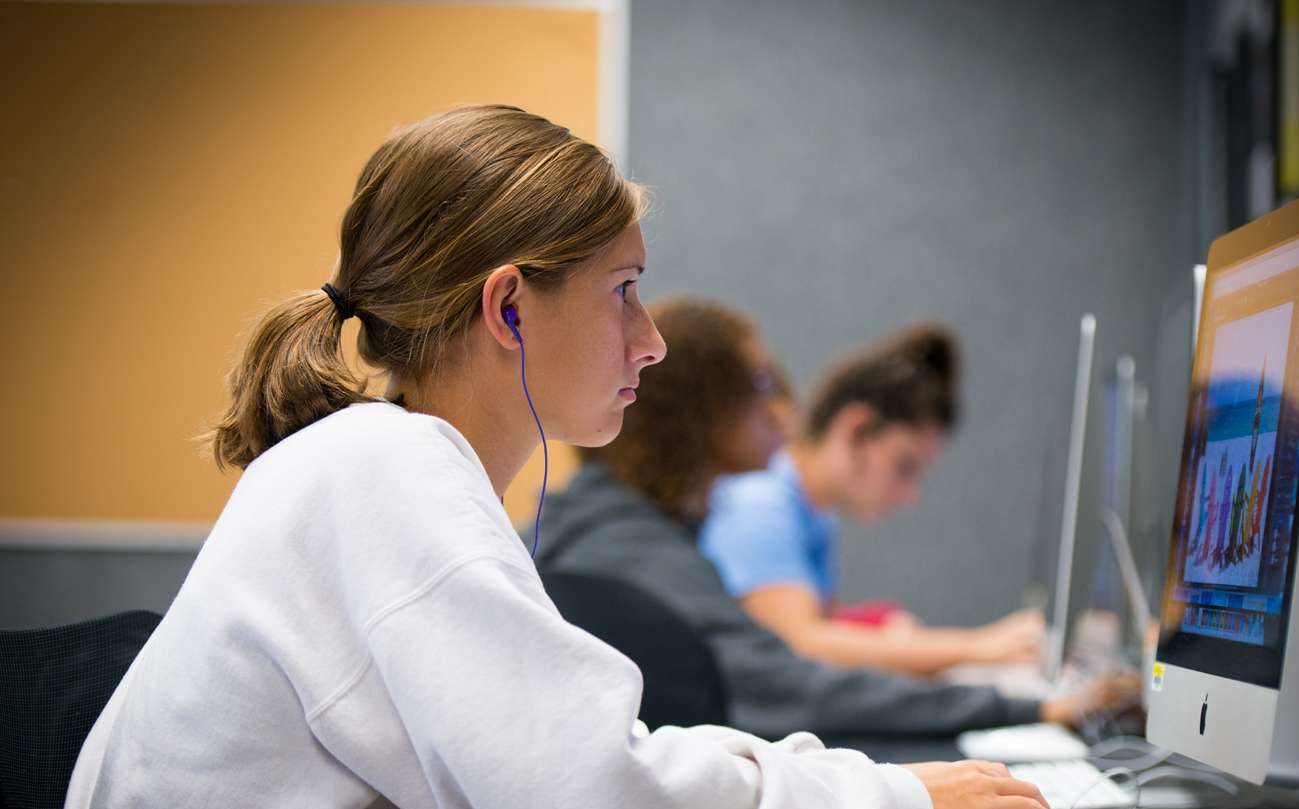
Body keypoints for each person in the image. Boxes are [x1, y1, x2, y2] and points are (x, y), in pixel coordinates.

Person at [64, 106, 1050, 809]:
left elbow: (560, 761)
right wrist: (891, 794)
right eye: (622, 290)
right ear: (506, 307)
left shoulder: (373, 463)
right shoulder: (384, 472)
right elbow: (588, 785)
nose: (650, 341)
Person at [536, 297, 1137, 745]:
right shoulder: (637, 547)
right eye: (761, 384)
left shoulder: (619, 528)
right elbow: (790, 679)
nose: (786, 408)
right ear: (700, 411)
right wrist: (1025, 706)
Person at [700, 325, 1044, 677]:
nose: (910, 496)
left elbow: (814, 619)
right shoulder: (762, 503)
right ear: (856, 429)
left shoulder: (813, 511)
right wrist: (978, 647)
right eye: (905, 466)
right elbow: (801, 643)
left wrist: (876, 624)